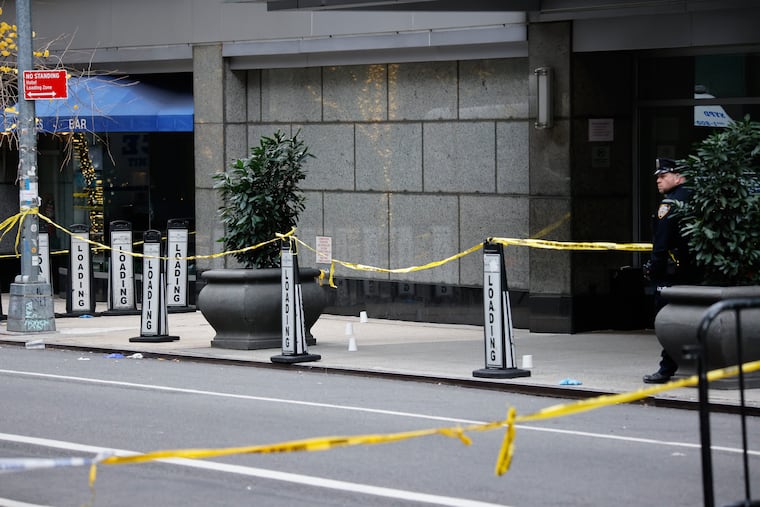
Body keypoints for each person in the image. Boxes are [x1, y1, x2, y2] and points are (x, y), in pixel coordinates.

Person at [642, 157, 700, 384]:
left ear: (679, 177)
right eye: (658, 176)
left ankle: (667, 368)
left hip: (671, 275)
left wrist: (653, 270)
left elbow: (661, 244)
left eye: (663, 176)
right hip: (691, 272)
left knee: (667, 322)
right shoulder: (693, 198)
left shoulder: (670, 205)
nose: (658, 180)